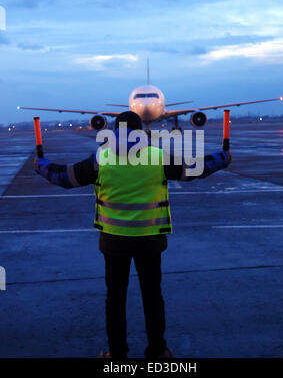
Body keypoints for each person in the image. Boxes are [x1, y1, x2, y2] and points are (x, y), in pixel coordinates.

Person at [34, 111, 231, 359]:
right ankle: (158, 351)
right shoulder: (157, 156)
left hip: (114, 242)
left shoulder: (101, 158)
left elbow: (65, 177)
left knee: (115, 299)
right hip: (150, 241)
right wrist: (224, 157)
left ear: (115, 130)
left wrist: (40, 164)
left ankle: (116, 353)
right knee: (152, 297)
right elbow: (196, 168)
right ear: (142, 131)